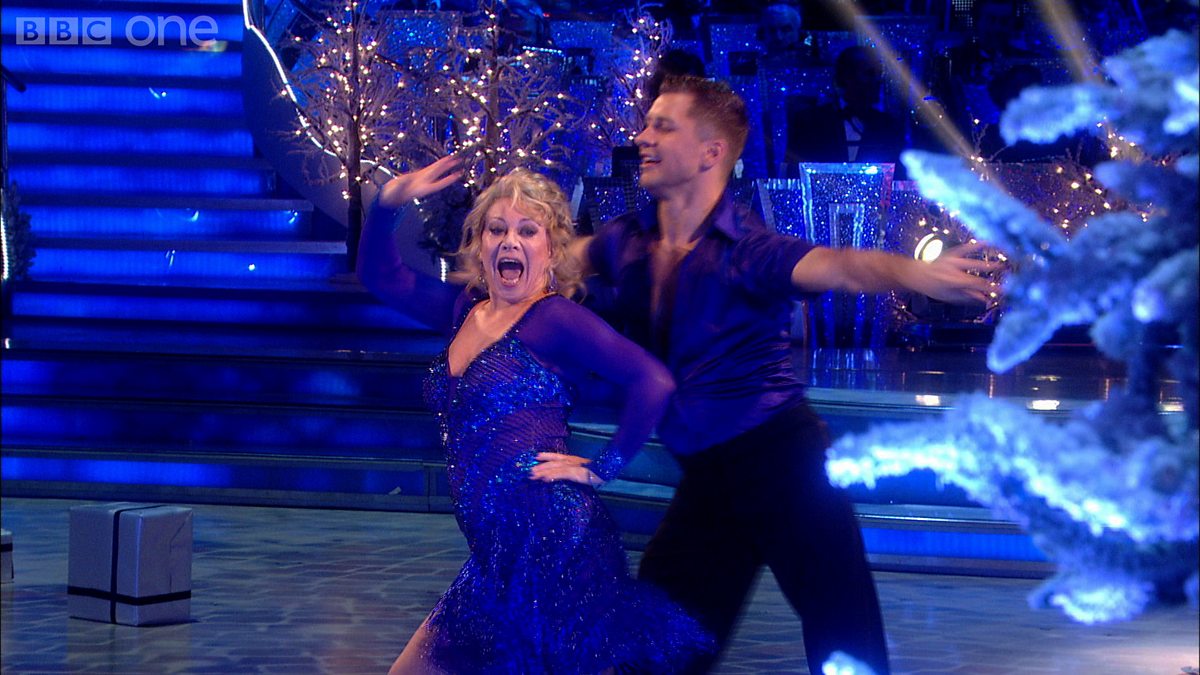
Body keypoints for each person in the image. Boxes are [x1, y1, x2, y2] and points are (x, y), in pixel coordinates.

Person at [571, 75, 996, 673]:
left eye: (663, 127)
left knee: (845, 640)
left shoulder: (747, 248)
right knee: (659, 643)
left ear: (711, 152)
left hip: (784, 465)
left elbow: (840, 266)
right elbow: (555, 259)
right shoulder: (627, 242)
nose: (642, 137)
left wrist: (914, 272)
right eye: (647, 124)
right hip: (708, 477)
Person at [358, 159, 713, 673]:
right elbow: (381, 277)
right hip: (496, 554)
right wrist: (388, 205)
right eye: (497, 229)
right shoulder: (464, 310)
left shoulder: (555, 319)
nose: (510, 242)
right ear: (480, 244)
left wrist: (602, 467)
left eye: (528, 231)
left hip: (552, 544)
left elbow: (653, 381)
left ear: (551, 249)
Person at [784, 45, 906, 174]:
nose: (878, 81)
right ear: (847, 77)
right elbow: (793, 173)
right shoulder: (809, 121)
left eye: (879, 74)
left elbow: (898, 176)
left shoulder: (889, 126)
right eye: (869, 73)